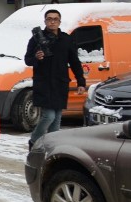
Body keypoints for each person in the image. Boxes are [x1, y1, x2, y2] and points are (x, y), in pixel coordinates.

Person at [26, 9, 86, 148]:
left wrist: (80, 81)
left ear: (59, 21)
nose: (52, 21)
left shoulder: (66, 39)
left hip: (60, 83)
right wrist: (36, 57)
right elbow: (27, 59)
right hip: (44, 84)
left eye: (55, 19)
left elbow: (75, 62)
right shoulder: (36, 38)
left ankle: (52, 146)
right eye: (49, 19)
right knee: (49, 116)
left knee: (57, 118)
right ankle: (34, 140)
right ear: (45, 21)